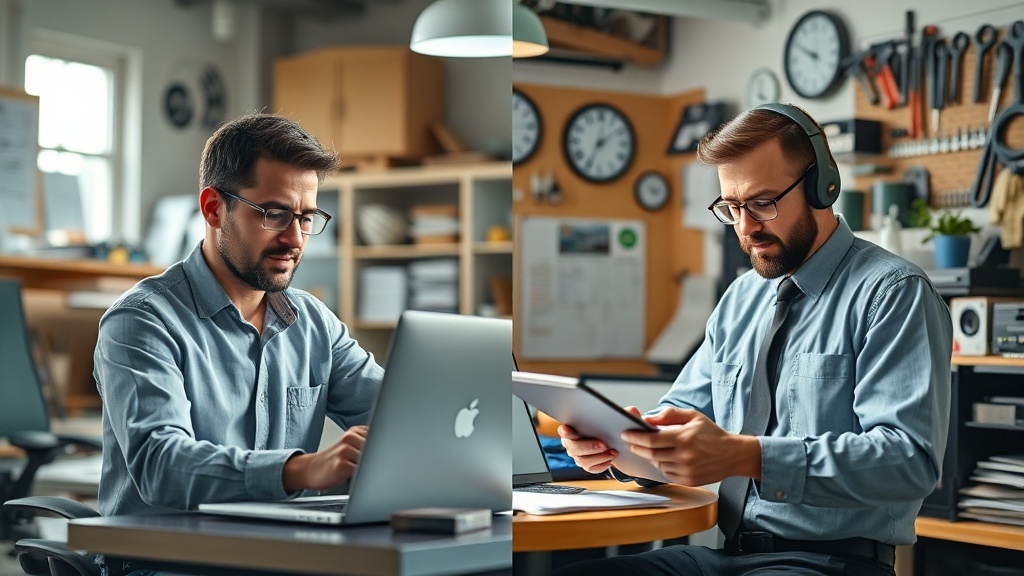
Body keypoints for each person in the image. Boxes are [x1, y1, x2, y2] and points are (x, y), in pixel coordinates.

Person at [554, 104, 952, 576]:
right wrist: (620, 447)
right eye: (731, 208)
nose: (745, 227)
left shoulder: (893, 293)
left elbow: (908, 462)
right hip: (727, 554)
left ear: (821, 187)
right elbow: (680, 424)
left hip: (830, 562)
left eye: (763, 203)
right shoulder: (741, 298)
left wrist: (748, 456)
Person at [94, 114, 384, 528]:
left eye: (306, 218)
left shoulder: (314, 324)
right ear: (214, 209)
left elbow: (396, 413)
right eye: (275, 214)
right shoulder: (141, 321)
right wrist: (301, 470)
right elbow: (161, 464)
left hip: (280, 549)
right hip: (168, 555)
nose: (295, 239)